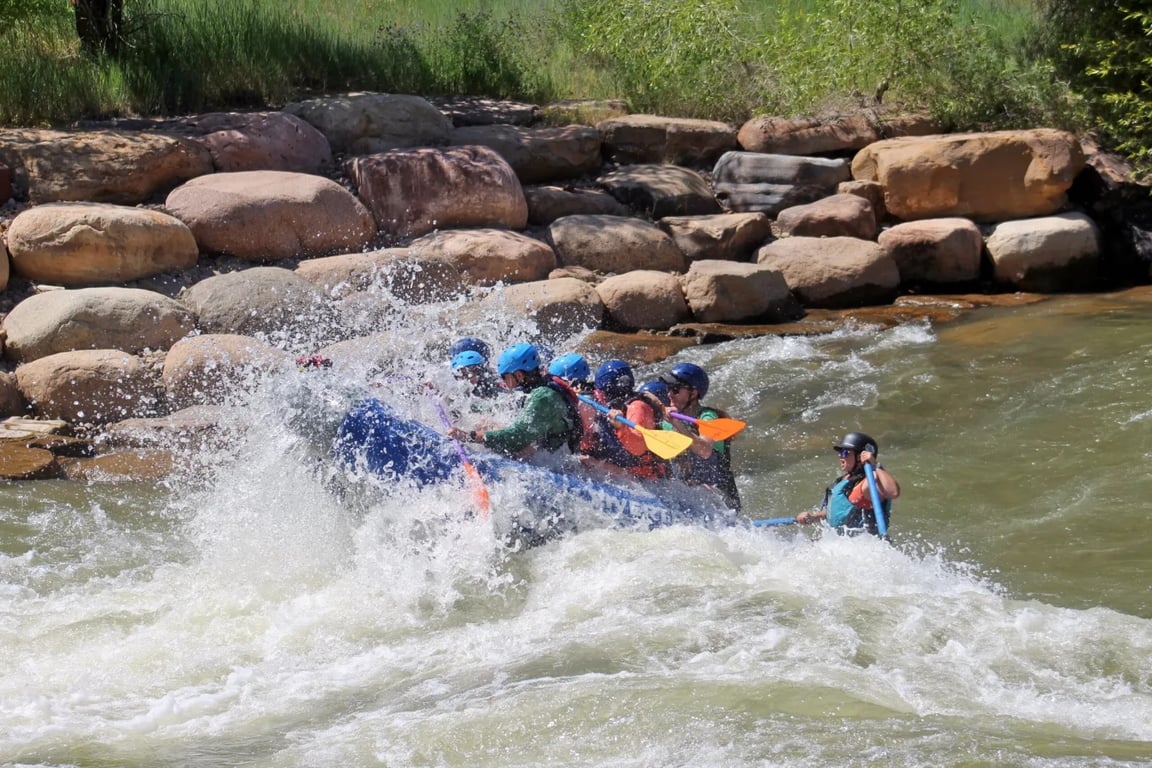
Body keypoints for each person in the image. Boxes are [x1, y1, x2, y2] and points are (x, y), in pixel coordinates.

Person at [449, 343, 579, 457]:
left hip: (556, 457)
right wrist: (463, 405)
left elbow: (517, 437)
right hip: (545, 445)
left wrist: (470, 436)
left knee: (508, 443)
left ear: (519, 375)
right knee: (485, 422)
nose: (503, 381)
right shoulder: (536, 387)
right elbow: (501, 407)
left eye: (504, 376)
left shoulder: (542, 397)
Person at [660, 362, 741, 510]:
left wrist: (677, 423)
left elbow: (704, 450)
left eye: (675, 389)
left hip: (721, 502)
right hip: (688, 497)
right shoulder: (666, 422)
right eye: (668, 388)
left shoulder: (708, 417)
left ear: (693, 393)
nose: (669, 394)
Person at [795, 432, 900, 537]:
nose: (840, 455)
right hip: (838, 542)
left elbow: (893, 492)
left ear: (860, 457)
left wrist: (875, 465)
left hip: (863, 544)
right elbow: (834, 512)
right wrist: (812, 517)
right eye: (840, 452)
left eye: (845, 452)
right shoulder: (843, 481)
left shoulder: (869, 482)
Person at [587, 360, 670, 480]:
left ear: (611, 390)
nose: (598, 394)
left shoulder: (637, 407)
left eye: (601, 391)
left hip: (644, 477)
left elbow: (638, 448)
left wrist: (621, 427)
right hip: (627, 469)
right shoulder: (615, 406)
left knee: (587, 462)